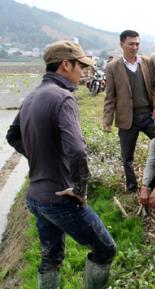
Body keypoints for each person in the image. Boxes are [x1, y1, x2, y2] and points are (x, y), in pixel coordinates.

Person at [6, 40, 116, 289]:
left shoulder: (33, 95)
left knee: (50, 257)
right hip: (59, 198)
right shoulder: (63, 98)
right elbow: (77, 149)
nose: (84, 72)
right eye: (81, 66)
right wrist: (80, 188)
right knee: (105, 249)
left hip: (35, 196)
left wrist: (38, 158)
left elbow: (12, 136)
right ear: (66, 65)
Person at [103, 30, 155, 193]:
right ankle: (132, 186)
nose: (134, 47)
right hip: (127, 118)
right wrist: (107, 120)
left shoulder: (147, 62)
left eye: (137, 44)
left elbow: (154, 88)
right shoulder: (113, 67)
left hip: (148, 115)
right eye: (131, 44)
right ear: (122, 45)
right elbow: (110, 96)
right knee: (127, 156)